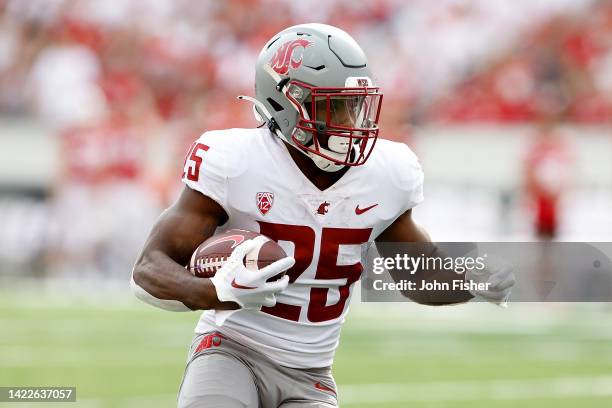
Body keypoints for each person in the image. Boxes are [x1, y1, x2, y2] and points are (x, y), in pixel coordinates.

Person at [131, 23, 514, 408]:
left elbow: (415, 275)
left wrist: (469, 281)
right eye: (332, 106)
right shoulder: (235, 162)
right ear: (285, 103)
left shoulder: (387, 173)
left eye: (354, 105)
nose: (350, 122)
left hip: (311, 376)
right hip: (232, 351)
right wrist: (216, 292)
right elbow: (149, 268)